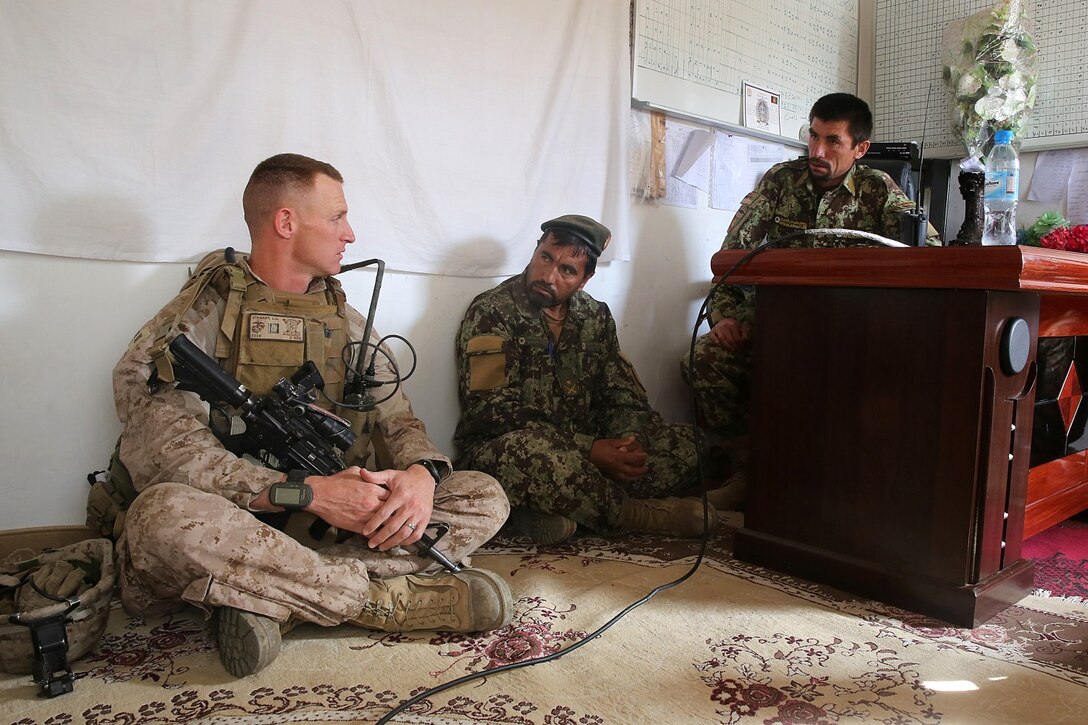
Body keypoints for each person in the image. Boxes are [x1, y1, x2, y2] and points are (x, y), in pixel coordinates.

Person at [111, 153, 513, 678]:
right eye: (337, 217)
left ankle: (273, 599)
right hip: (243, 519)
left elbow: (400, 423)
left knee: (484, 495)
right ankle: (380, 602)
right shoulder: (208, 313)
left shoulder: (343, 319)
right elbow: (164, 447)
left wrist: (420, 476)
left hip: (324, 526)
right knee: (159, 517)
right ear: (285, 222)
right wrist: (307, 491)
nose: (350, 233)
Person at [682, 93, 941, 509]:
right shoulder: (781, 181)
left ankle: (837, 484)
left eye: (833, 141)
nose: (817, 152)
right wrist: (725, 317)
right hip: (775, 322)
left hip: (850, 332)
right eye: (813, 136)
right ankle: (750, 469)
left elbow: (927, 253)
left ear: (860, 149)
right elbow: (731, 259)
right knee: (706, 360)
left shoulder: (878, 190)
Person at [454, 214, 714, 546]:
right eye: (545, 257)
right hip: (509, 451)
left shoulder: (595, 316)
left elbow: (621, 392)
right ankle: (641, 515)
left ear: (584, 279)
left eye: (567, 270)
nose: (548, 275)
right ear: (535, 251)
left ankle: (550, 511)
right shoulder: (492, 312)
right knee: (531, 455)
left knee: (689, 442)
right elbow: (491, 414)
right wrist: (590, 450)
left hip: (589, 454)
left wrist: (626, 443)